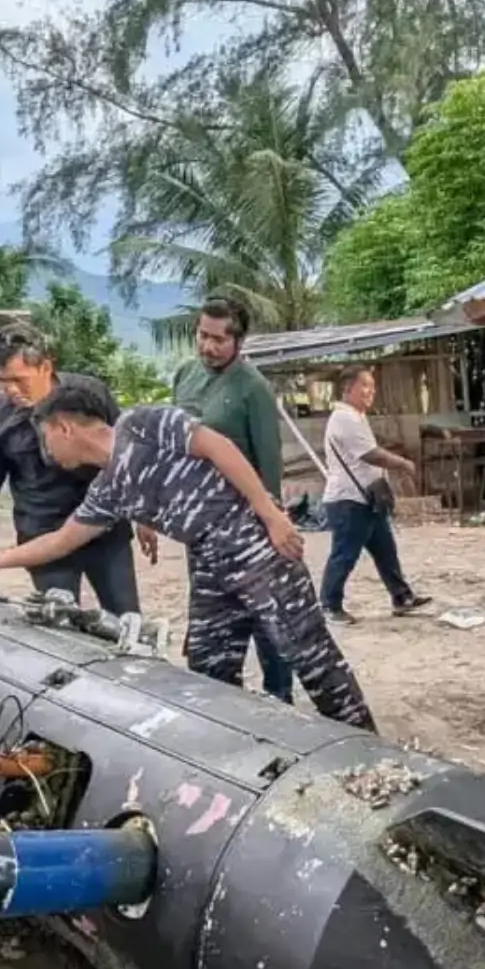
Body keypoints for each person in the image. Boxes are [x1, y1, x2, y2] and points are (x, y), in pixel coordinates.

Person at [0, 390, 374, 730]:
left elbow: (218, 447)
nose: (46, 452)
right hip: (211, 565)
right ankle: (238, 752)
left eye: (47, 438)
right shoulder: (109, 488)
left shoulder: (141, 424)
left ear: (64, 427)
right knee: (208, 665)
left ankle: (371, 752)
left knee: (311, 658)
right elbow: (61, 541)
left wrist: (271, 514)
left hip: (256, 548)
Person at [0, 325, 138, 614]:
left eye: (18, 379)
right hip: (42, 534)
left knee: (125, 617)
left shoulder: (88, 394)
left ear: (45, 367)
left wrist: (144, 515)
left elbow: (126, 454)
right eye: (3, 381)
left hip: (104, 529)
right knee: (61, 625)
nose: (11, 390)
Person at [168, 297, 293, 703]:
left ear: (238, 341)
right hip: (199, 524)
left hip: (244, 523)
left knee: (263, 613)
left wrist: (271, 518)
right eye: (203, 335)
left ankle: (279, 695)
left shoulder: (252, 387)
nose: (208, 346)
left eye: (219, 340)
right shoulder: (185, 375)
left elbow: (268, 461)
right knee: (211, 614)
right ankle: (222, 697)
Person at [318, 365, 432, 624]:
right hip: (348, 500)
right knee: (344, 554)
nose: (371, 391)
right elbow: (371, 454)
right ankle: (329, 605)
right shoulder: (344, 418)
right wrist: (403, 463)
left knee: (385, 550)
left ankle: (401, 596)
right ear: (348, 389)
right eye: (365, 386)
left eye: (372, 386)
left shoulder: (356, 416)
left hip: (365, 499)